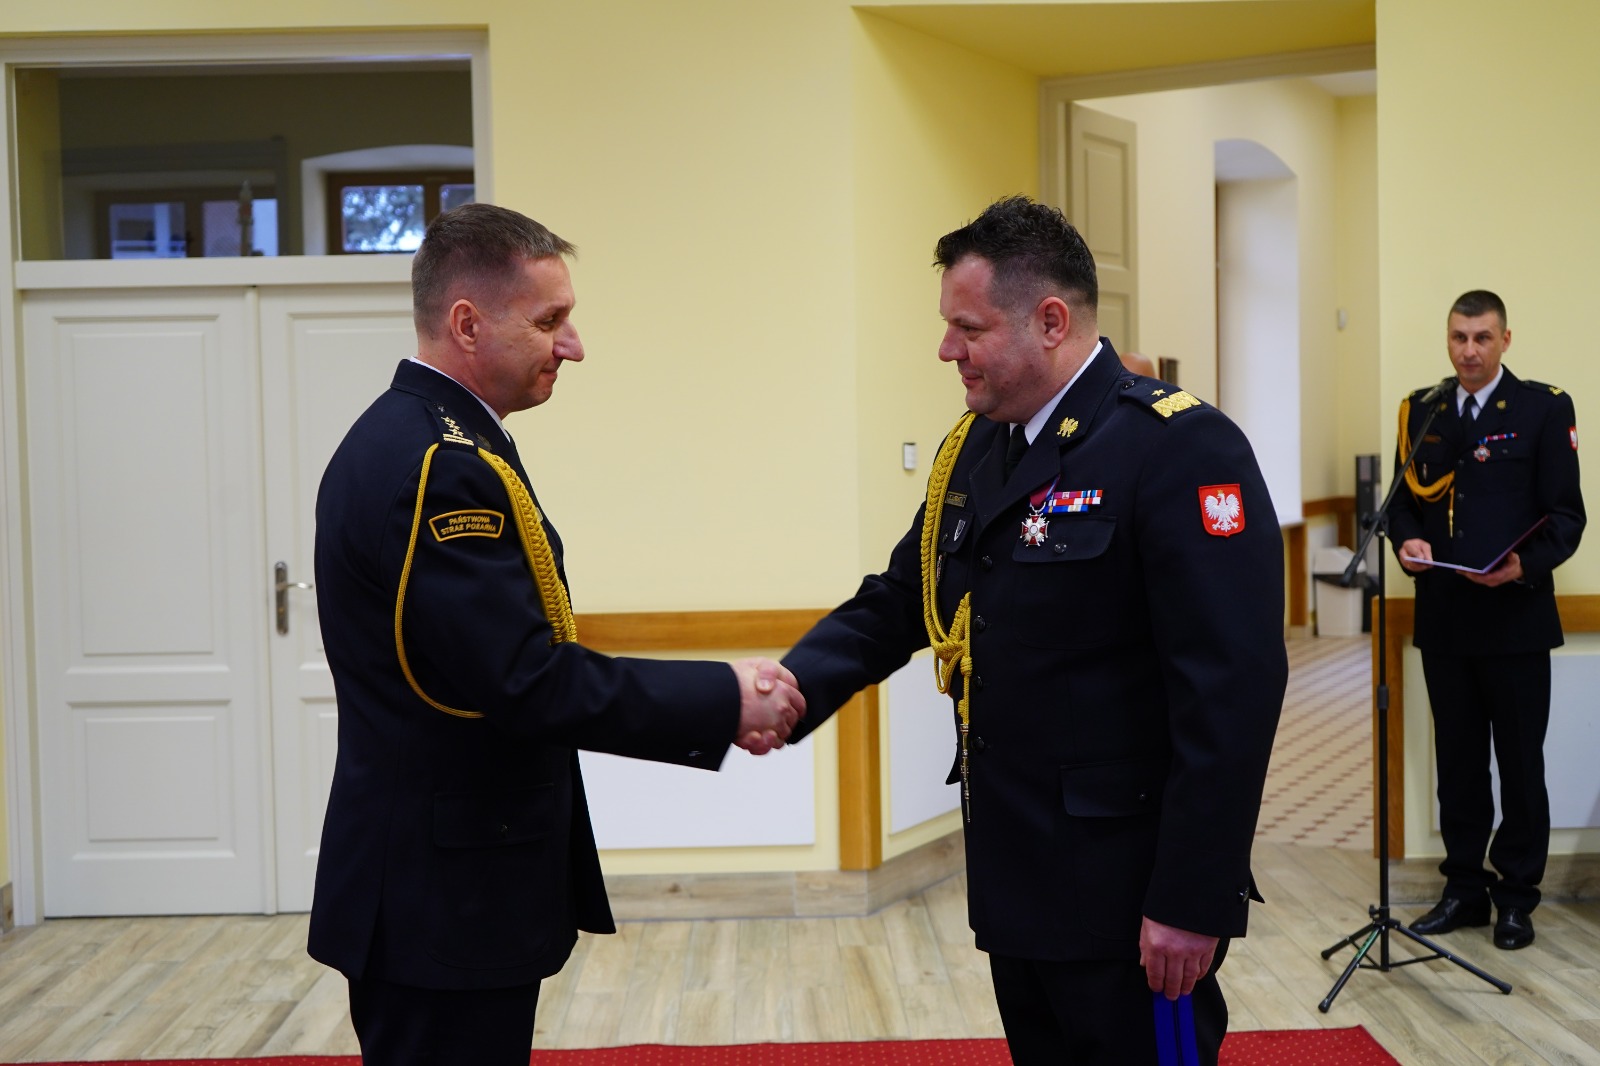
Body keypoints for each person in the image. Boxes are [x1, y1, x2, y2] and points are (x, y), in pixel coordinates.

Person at [779, 196, 1286, 1065]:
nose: (947, 350)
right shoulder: (979, 449)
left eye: (967, 328)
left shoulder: (1175, 447)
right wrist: (789, 688)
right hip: (1017, 878)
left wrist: (1192, 898)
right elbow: (903, 597)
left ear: (1050, 322)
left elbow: (1231, 692)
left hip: (1130, 897)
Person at [308, 202, 805, 1065]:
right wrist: (722, 697)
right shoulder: (439, 466)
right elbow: (524, 679)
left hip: (439, 881)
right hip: (442, 893)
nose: (572, 346)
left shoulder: (426, 439)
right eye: (549, 321)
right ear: (467, 324)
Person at [1389, 289, 1584, 951]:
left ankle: (1517, 899)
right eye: (1458, 337)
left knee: (1521, 767)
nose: (1468, 351)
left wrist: (1523, 565)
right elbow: (1402, 506)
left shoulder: (1542, 408)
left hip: (1516, 620)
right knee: (1459, 765)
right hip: (1446, 621)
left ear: (1505, 340)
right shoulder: (1423, 409)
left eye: (1481, 338)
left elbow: (1567, 516)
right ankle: (1464, 890)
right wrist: (1407, 542)